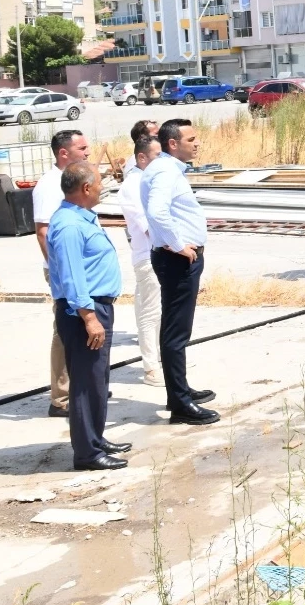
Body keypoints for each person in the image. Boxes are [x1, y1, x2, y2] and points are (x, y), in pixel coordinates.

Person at [48, 161, 131, 470]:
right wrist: (89, 317)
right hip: (83, 312)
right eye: (99, 184)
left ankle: (95, 438)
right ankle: (87, 454)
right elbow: (72, 277)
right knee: (85, 383)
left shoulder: (81, 217)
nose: (101, 189)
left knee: (97, 380)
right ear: (85, 188)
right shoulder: (70, 225)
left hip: (95, 308)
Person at [141, 119, 219, 426]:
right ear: (173, 144)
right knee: (176, 332)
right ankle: (180, 404)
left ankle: (180, 390)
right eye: (191, 139)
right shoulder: (165, 171)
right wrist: (178, 245)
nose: (197, 143)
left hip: (177, 257)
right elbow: (156, 211)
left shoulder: (168, 169)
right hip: (177, 260)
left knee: (177, 330)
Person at [32, 130, 90, 418]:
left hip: (78, 268)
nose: (88, 152)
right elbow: (42, 232)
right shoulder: (49, 185)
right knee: (64, 331)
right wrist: (59, 270)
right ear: (64, 153)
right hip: (62, 270)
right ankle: (62, 398)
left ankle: (82, 387)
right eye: (82, 148)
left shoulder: (72, 180)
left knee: (81, 329)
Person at [117, 134, 164, 386]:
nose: (162, 159)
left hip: (161, 253)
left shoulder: (150, 180)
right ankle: (151, 368)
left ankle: (162, 359)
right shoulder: (133, 185)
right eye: (157, 155)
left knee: (159, 311)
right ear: (142, 157)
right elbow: (149, 226)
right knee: (150, 313)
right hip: (149, 256)